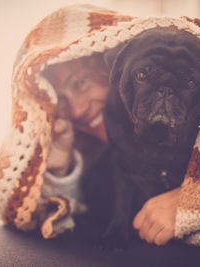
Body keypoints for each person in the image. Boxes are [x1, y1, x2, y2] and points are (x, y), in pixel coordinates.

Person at [41, 52, 181, 246]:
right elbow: (79, 213)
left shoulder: (189, 120)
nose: (76, 110)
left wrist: (189, 198)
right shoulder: (85, 149)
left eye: (81, 83)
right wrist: (62, 171)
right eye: (61, 100)